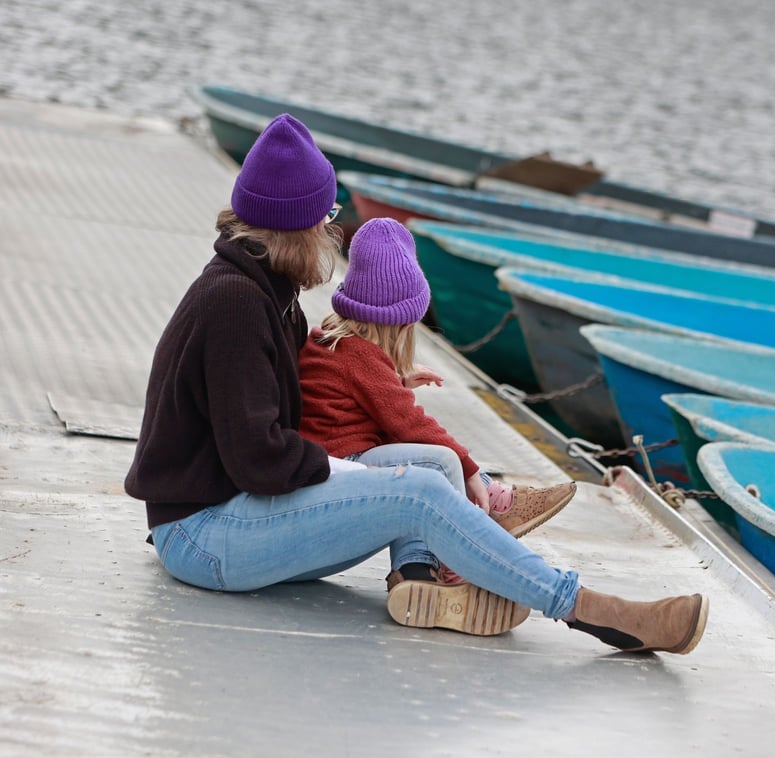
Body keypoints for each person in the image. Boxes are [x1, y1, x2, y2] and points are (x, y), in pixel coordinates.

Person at [123, 112, 709, 654]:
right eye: (328, 219)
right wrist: (376, 476)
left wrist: (384, 435)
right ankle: (592, 611)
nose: (335, 234)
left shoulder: (270, 297)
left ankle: (419, 578)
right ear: (298, 227)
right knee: (417, 491)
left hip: (233, 511)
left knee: (429, 466)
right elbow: (259, 459)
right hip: (202, 535)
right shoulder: (234, 302)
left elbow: (277, 428)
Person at [297, 216, 577, 576]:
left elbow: (355, 393)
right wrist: (469, 466)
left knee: (424, 463)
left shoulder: (337, 337)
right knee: (436, 461)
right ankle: (469, 533)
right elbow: (409, 423)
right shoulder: (361, 356)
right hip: (344, 464)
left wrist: (397, 380)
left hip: (334, 456)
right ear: (397, 322)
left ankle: (416, 570)